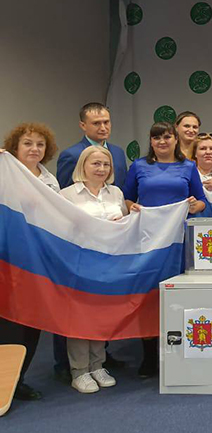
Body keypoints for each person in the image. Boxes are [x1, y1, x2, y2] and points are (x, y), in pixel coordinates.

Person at [123, 121, 207, 377]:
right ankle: (149, 356)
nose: (162, 141)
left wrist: (194, 206)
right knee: (148, 296)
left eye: (167, 137)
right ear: (151, 141)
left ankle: (177, 352)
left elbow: (201, 201)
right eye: (156, 137)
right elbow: (127, 197)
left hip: (178, 242)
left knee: (177, 296)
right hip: (147, 241)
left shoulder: (188, 166)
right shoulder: (139, 166)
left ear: (175, 139)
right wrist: (131, 207)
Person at [60, 146, 139, 393]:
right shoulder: (67, 195)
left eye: (106, 164)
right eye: (95, 164)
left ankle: (97, 365)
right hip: (80, 263)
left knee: (100, 313)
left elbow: (124, 227)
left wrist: (126, 219)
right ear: (83, 165)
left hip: (108, 262)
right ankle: (79, 371)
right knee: (79, 316)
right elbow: (60, 230)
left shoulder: (115, 193)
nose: (102, 169)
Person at [0, 122, 60, 401]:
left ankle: (19, 379)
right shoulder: (4, 171)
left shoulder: (50, 181)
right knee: (9, 321)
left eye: (40, 144)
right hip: (8, 259)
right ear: (15, 146)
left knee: (33, 320)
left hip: (38, 260)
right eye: (27, 143)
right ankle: (4, 382)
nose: (34, 149)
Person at [57, 102, 128, 190]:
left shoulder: (118, 152)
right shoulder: (72, 155)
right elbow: (65, 192)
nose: (103, 128)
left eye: (106, 122)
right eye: (96, 123)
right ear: (83, 126)